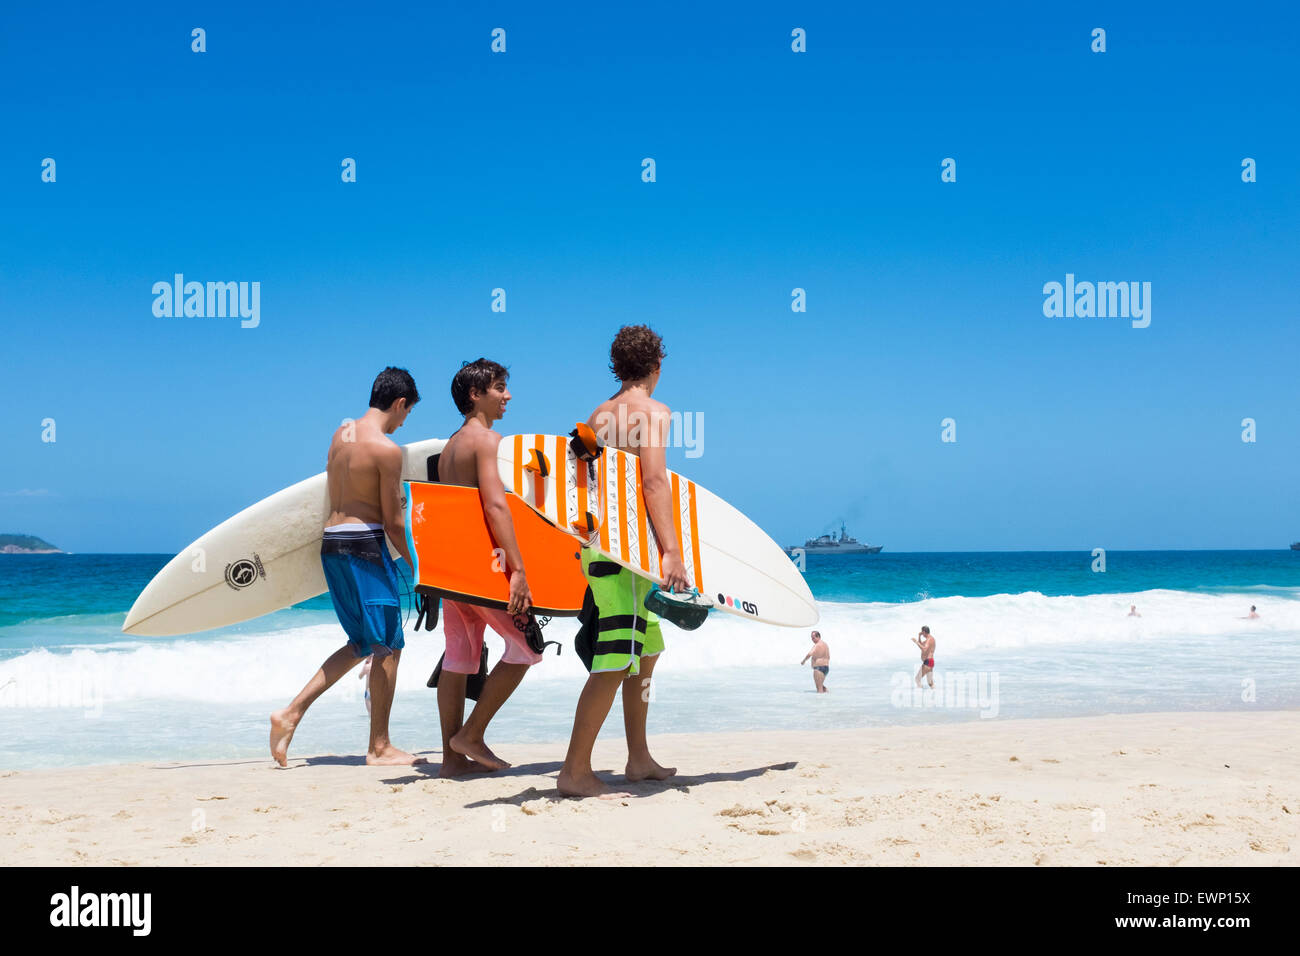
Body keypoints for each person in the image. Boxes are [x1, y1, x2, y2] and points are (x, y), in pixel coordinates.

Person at [557, 325, 690, 799]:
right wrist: (671, 550)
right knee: (613, 660)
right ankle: (574, 772)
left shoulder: (597, 415)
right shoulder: (654, 413)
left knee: (646, 649)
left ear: (617, 367)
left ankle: (638, 757)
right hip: (628, 555)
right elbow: (654, 482)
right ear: (658, 365)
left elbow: (585, 485)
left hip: (602, 548)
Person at [270, 367, 423, 767]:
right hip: (365, 547)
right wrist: (418, 567)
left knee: (362, 643)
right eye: (406, 414)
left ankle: (290, 714)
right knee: (389, 645)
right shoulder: (387, 450)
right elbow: (393, 522)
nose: (404, 422)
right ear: (400, 403)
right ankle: (380, 746)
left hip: (332, 545)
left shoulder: (342, 435)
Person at [433, 359, 544, 777]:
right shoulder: (488, 441)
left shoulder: (449, 448)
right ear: (475, 395)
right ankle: (472, 735)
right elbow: (495, 505)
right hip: (484, 568)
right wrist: (518, 569)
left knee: (459, 660)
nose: (508, 396)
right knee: (526, 648)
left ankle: (451, 758)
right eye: (499, 387)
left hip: (452, 570)